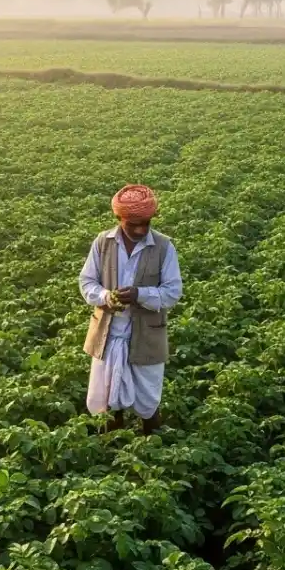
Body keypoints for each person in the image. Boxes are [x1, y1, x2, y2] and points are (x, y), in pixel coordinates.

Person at [79, 184, 184, 434]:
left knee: (148, 395)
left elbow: (172, 292)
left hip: (146, 334)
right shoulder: (103, 243)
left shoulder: (163, 247)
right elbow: (86, 282)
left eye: (145, 223)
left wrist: (140, 295)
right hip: (108, 332)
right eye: (132, 223)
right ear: (119, 218)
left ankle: (151, 442)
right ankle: (110, 444)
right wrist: (105, 296)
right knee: (104, 396)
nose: (140, 229)